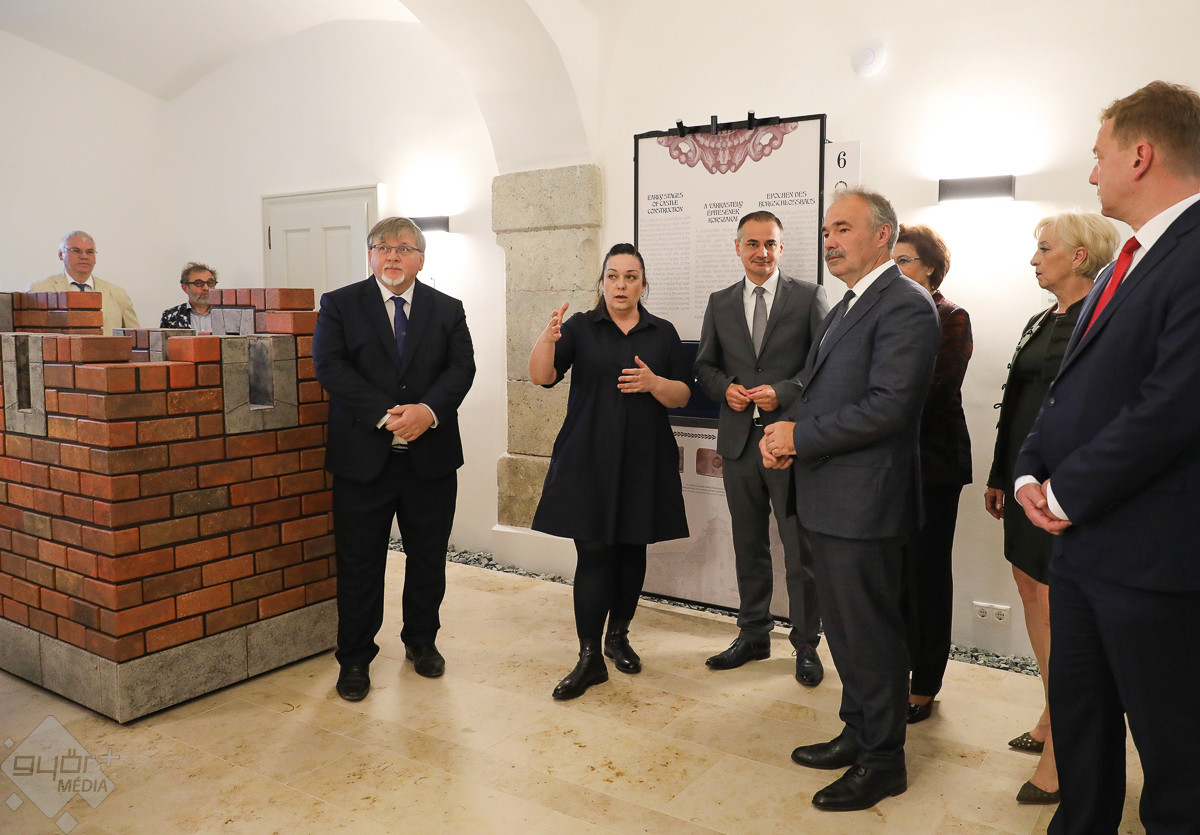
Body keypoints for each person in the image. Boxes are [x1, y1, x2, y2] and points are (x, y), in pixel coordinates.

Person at [1014, 80, 1200, 833]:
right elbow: (1070, 389)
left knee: (1175, 762)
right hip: (1085, 553)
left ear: (1141, 154)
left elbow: (1173, 404)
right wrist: (1029, 468)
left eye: (1099, 156)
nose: (1092, 174)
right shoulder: (1127, 259)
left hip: (1155, 560)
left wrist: (1065, 493)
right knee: (1082, 729)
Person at [761, 189, 940, 812]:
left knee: (871, 634)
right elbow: (822, 391)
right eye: (825, 231)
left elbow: (890, 407)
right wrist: (784, 435)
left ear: (883, 235)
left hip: (865, 503)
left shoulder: (905, 303)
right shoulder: (848, 302)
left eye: (842, 228)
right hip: (829, 495)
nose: (829, 241)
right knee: (844, 628)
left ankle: (883, 761)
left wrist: (800, 437)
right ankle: (858, 731)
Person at [984, 212, 1118, 805]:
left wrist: (1066, 487)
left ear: (1080, 256)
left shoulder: (1103, 320)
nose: (1034, 259)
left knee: (1060, 607)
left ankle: (1064, 748)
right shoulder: (1041, 320)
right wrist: (1001, 474)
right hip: (1023, 482)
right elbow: (1016, 404)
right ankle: (1050, 710)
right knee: (1030, 589)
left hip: (1061, 491)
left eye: (1044, 249)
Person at [312, 216, 475, 702]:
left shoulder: (448, 309)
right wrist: (387, 416)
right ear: (370, 256)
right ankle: (355, 657)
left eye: (403, 248)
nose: (392, 256)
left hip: (431, 459)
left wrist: (427, 412)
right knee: (359, 562)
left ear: (420, 258)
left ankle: (421, 642)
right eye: (382, 247)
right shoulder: (339, 304)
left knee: (428, 558)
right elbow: (330, 367)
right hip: (363, 460)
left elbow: (461, 368)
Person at [529, 243, 690, 701]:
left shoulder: (662, 332)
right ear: (602, 282)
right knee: (595, 551)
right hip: (587, 457)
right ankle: (588, 657)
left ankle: (617, 637)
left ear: (643, 284)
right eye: (613, 276)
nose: (621, 285)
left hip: (644, 457)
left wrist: (654, 383)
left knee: (632, 547)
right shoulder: (580, 326)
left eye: (630, 277)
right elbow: (541, 377)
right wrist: (547, 339)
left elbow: (681, 396)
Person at [694, 211, 829, 685]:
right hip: (739, 444)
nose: (762, 252)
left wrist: (785, 392)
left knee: (800, 550)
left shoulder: (809, 296)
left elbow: (824, 365)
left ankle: (807, 645)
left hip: (789, 443)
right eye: (752, 244)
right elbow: (704, 366)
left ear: (781, 248)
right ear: (738, 248)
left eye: (770, 243)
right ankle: (753, 634)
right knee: (747, 543)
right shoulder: (720, 302)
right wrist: (725, 388)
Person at [893, 224, 972, 725]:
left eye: (904, 260)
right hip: (889, 467)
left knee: (926, 577)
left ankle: (924, 685)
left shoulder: (950, 316)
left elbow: (934, 390)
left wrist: (876, 406)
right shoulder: (889, 314)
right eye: (892, 260)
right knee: (895, 577)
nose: (895, 269)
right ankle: (894, 671)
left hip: (933, 468)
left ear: (931, 268)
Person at [30, 231, 139, 333]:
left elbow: (135, 338)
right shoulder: (39, 291)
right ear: (60, 254)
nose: (84, 256)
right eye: (76, 251)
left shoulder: (117, 294)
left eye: (89, 252)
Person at [161, 262, 218, 330]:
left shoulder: (225, 314)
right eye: (198, 283)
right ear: (185, 288)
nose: (206, 288)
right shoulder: (171, 317)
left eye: (210, 283)